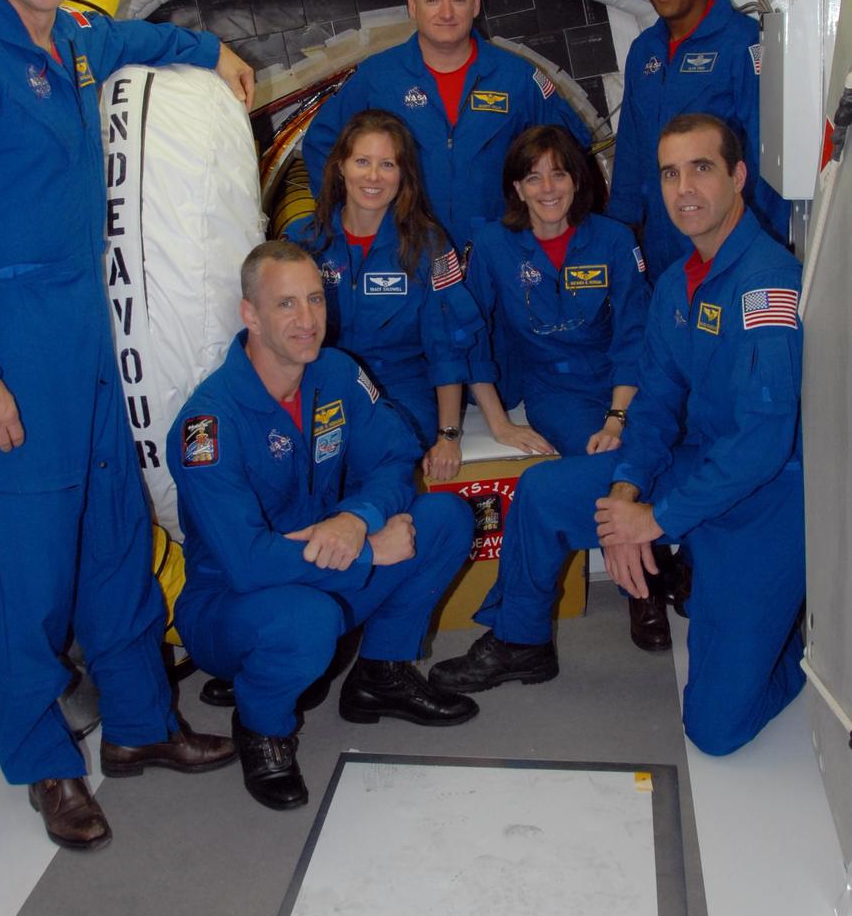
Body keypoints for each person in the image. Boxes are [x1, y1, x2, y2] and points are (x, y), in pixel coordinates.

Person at [0, 0, 255, 850]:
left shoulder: (74, 40)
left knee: (114, 532)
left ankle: (141, 725)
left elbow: (136, 36)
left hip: (92, 327)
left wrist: (207, 44)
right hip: (12, 340)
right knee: (28, 569)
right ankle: (43, 760)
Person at [430, 115, 805, 756]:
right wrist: (627, 492)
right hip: (690, 469)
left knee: (715, 730)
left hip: (762, 503)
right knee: (546, 494)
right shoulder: (681, 282)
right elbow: (655, 404)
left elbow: (763, 447)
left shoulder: (765, 284)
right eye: (669, 172)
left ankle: (799, 641)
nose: (684, 188)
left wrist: (655, 519)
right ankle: (521, 640)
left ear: (739, 177)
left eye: (702, 168)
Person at [167, 241, 479, 811]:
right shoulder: (207, 425)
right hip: (234, 603)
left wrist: (356, 521)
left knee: (444, 519)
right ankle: (262, 727)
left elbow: (395, 457)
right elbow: (247, 561)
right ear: (250, 315)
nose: (307, 320)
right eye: (285, 304)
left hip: (322, 562)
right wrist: (366, 553)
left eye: (315, 299)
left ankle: (381, 672)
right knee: (306, 621)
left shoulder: (336, 373)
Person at [464, 125, 662, 650]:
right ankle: (646, 587)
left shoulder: (614, 238)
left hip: (624, 384)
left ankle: (651, 563)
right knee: (605, 459)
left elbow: (634, 335)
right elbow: (467, 335)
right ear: (516, 188)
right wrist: (499, 420)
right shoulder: (491, 246)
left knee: (643, 445)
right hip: (556, 388)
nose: (548, 187)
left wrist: (619, 414)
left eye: (559, 173)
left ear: (578, 180)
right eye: (533, 177)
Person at [302, 0, 591, 251]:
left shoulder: (517, 79)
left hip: (500, 254)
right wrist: (351, 223)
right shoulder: (377, 77)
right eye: (432, 0)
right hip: (406, 254)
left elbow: (572, 153)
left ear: (476, 4)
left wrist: (550, 232)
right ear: (412, 5)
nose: (446, 13)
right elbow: (321, 144)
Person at [287, 108, 494, 481]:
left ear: (403, 175)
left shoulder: (428, 246)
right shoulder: (303, 242)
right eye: (362, 161)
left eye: (387, 164)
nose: (373, 176)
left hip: (400, 392)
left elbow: (446, 346)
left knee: (374, 458)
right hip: (322, 386)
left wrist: (448, 435)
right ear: (339, 167)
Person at [606, 0, 789, 281]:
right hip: (661, 245)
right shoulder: (645, 51)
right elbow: (630, 150)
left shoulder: (742, 41)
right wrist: (618, 234)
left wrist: (760, 243)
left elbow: (764, 154)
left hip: (724, 242)